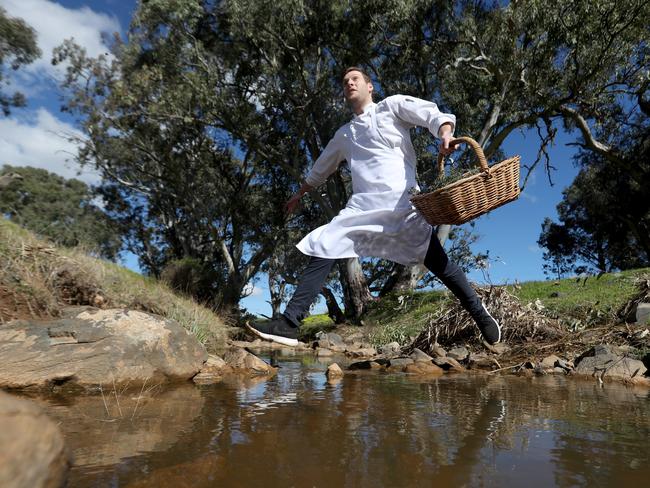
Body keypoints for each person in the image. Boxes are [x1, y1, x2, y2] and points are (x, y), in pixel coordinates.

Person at [248, 67, 501, 347]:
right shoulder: (344, 135)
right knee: (324, 243)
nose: (349, 83)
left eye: (354, 79)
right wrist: (300, 193)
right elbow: (322, 167)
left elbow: (429, 113)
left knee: (441, 265)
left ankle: (480, 314)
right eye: (345, 82)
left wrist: (445, 133)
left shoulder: (391, 107)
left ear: (370, 87)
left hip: (404, 205)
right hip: (362, 208)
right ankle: (288, 323)